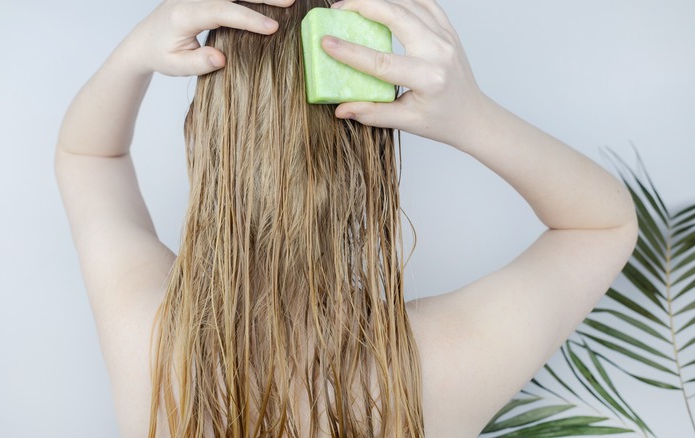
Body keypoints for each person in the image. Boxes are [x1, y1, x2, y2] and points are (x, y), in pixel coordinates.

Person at [55, 0, 638, 436]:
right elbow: (602, 225)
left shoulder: (153, 345)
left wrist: (136, 49)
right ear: (373, 155)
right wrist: (470, 116)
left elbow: (88, 156)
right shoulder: (434, 369)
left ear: (212, 136)